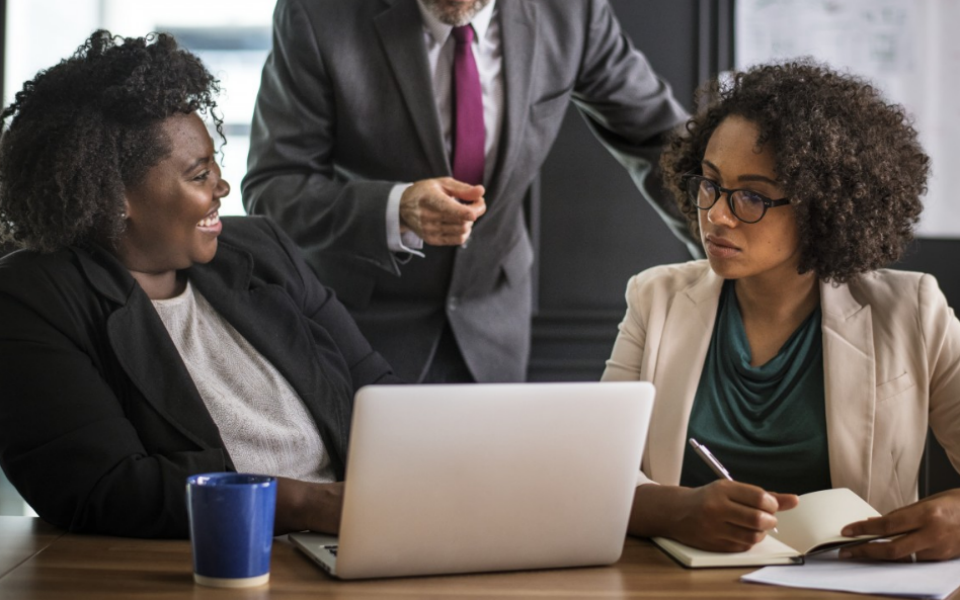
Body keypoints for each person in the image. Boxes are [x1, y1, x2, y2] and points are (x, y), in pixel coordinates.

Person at [0, 31, 399, 539]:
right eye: (199, 174)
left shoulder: (263, 250)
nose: (222, 188)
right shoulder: (33, 299)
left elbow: (378, 395)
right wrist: (305, 505)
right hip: (205, 562)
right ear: (115, 197)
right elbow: (104, 486)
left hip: (356, 541)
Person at [603, 61, 960, 561]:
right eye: (709, 184)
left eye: (752, 195)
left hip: (852, 587)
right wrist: (673, 510)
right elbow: (597, 467)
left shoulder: (912, 311)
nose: (717, 215)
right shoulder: (655, 297)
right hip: (674, 586)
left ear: (824, 206)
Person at [242, 0, 695, 384]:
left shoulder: (571, 10)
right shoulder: (316, 13)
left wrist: (737, 247)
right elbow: (274, 187)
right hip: (358, 326)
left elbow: (663, 141)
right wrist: (395, 207)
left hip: (494, 318)